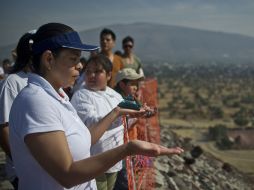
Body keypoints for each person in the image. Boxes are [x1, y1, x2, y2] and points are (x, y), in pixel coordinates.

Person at [9, 22, 183, 190]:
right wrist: (128, 149)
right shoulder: (36, 102)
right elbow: (67, 174)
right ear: (49, 59)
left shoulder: (58, 96)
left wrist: (117, 112)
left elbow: (85, 139)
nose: (80, 65)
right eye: (73, 59)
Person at [71, 54, 124, 190]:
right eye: (88, 71)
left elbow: (125, 122)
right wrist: (118, 114)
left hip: (114, 161)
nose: (92, 75)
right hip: (93, 161)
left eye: (97, 71)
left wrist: (139, 114)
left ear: (108, 75)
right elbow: (91, 123)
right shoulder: (82, 95)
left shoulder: (115, 95)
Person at [0, 31, 34, 190]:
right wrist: (19, 161)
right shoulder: (12, 82)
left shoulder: (42, 79)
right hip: (23, 171)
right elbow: (4, 127)